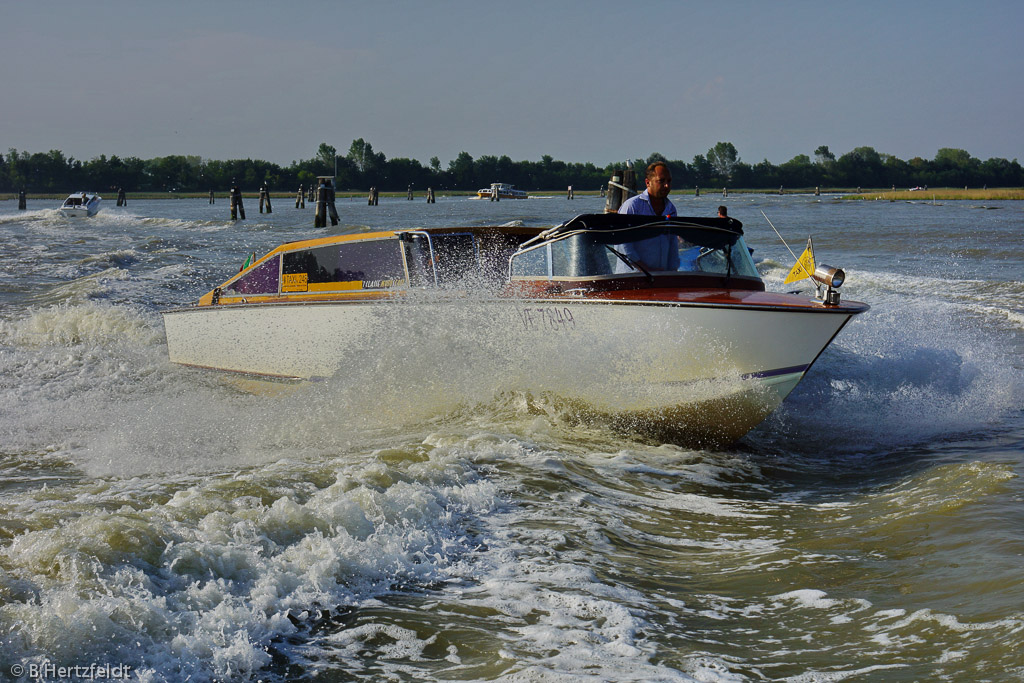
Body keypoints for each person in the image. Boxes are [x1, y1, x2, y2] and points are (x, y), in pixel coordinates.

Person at [614, 161, 678, 272]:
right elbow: (622, 245)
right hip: (632, 278)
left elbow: (672, 245)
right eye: (661, 181)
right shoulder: (632, 207)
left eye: (669, 181)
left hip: (660, 278)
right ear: (648, 183)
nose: (667, 185)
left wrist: (673, 273)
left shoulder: (671, 209)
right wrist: (646, 269)